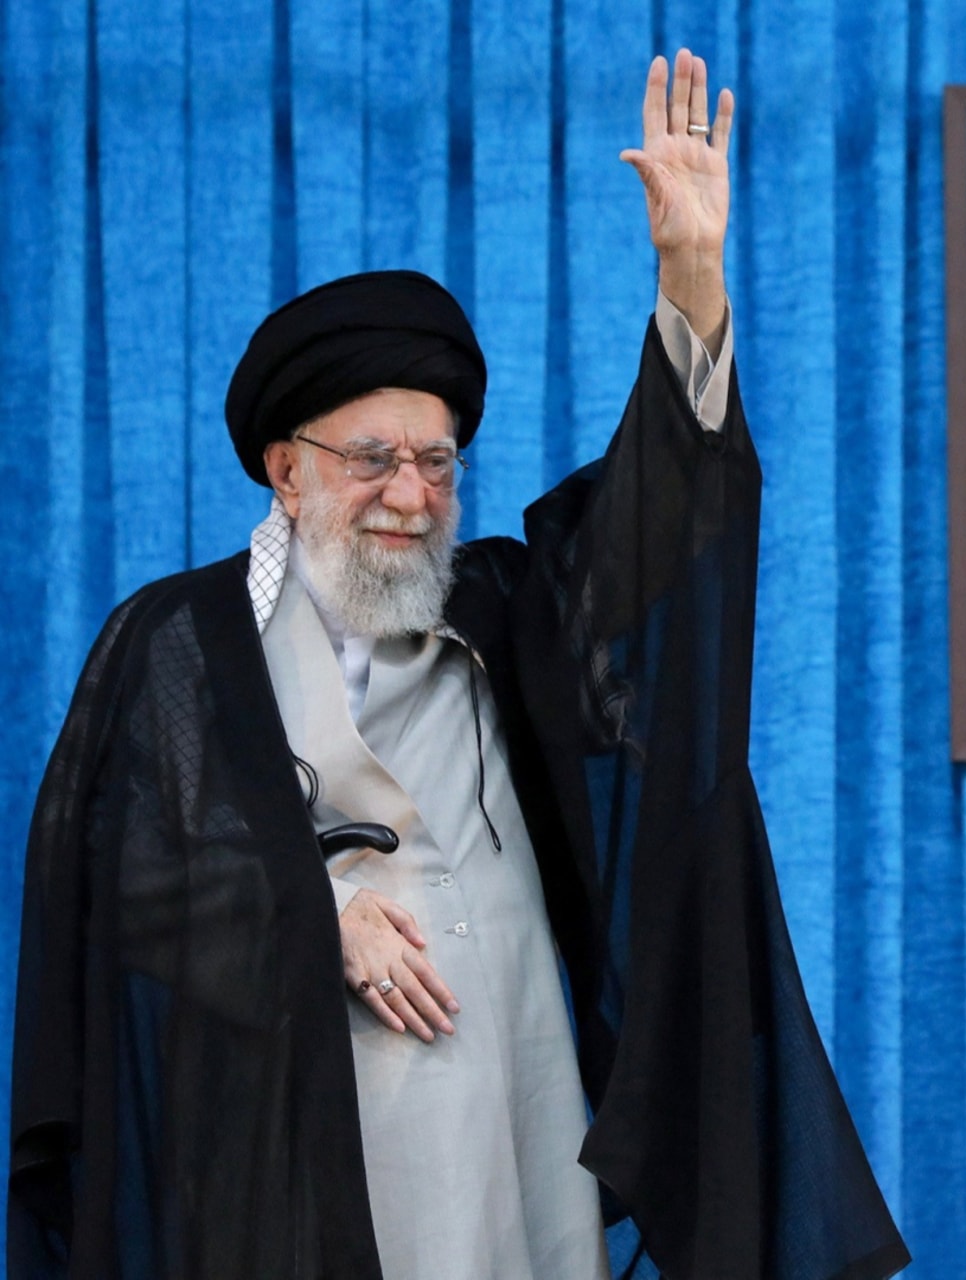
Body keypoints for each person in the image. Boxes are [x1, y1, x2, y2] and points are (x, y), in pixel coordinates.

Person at [9, 49, 908, 1280]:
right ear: (287, 468)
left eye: (436, 463)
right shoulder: (180, 640)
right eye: (373, 458)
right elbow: (129, 885)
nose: (410, 494)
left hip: (512, 1089)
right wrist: (321, 911)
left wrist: (691, 279)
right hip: (304, 1133)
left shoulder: (497, 603)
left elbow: (655, 529)